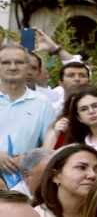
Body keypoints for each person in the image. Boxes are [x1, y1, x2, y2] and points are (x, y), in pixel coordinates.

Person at [0, 41, 58, 180]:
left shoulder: (42, 104)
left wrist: (27, 159)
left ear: (28, 68)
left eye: (19, 62)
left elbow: (49, 148)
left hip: (24, 182)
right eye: (6, 62)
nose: (13, 67)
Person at [45, 85, 97, 152]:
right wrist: (56, 134)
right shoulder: (75, 147)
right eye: (84, 109)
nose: (91, 111)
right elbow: (45, 157)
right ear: (79, 118)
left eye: (95, 106)